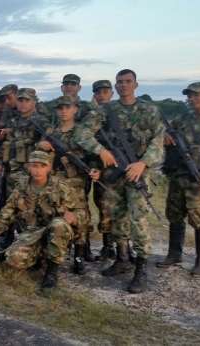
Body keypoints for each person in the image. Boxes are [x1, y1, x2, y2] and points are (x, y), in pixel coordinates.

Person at [75, 69, 165, 293]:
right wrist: (101, 150)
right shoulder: (106, 110)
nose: (123, 85)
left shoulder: (148, 110)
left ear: (136, 84)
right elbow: (81, 133)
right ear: (115, 87)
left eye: (127, 82)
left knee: (138, 219)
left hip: (138, 172)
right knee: (117, 216)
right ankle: (123, 258)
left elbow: (158, 141)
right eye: (120, 82)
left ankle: (141, 268)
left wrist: (143, 164)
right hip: (114, 174)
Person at [0, 151, 77, 293]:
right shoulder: (21, 188)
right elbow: (4, 217)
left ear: (48, 168)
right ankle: (39, 257)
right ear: (28, 167)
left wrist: (74, 218)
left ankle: (52, 272)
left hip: (53, 233)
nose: (37, 170)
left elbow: (78, 213)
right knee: (14, 259)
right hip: (31, 235)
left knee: (58, 225)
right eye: (34, 165)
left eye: (42, 166)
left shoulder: (61, 187)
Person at [157, 82, 200, 275]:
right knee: (174, 215)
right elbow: (164, 135)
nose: (192, 99)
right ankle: (174, 254)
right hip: (178, 176)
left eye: (196, 95)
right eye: (189, 96)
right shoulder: (181, 120)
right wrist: (165, 138)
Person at [37, 95, 101, 272]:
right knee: (52, 214)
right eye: (60, 108)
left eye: (67, 107)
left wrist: (95, 170)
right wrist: (42, 146)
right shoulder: (51, 131)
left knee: (80, 218)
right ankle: (52, 254)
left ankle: (78, 256)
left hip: (76, 182)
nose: (63, 111)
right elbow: (40, 154)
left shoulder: (81, 132)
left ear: (75, 109)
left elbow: (93, 156)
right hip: (55, 181)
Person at [0, 88, 50, 195]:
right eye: (20, 101)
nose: (23, 104)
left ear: (34, 102)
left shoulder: (41, 122)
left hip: (31, 174)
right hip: (12, 172)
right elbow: (6, 145)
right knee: (12, 204)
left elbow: (46, 147)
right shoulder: (13, 122)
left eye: (27, 100)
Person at [90, 79, 116, 259]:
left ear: (111, 93)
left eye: (105, 92)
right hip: (100, 170)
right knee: (103, 207)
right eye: (98, 92)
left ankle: (125, 247)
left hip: (122, 169)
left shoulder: (119, 113)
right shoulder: (92, 117)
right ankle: (108, 247)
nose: (102, 95)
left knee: (123, 210)